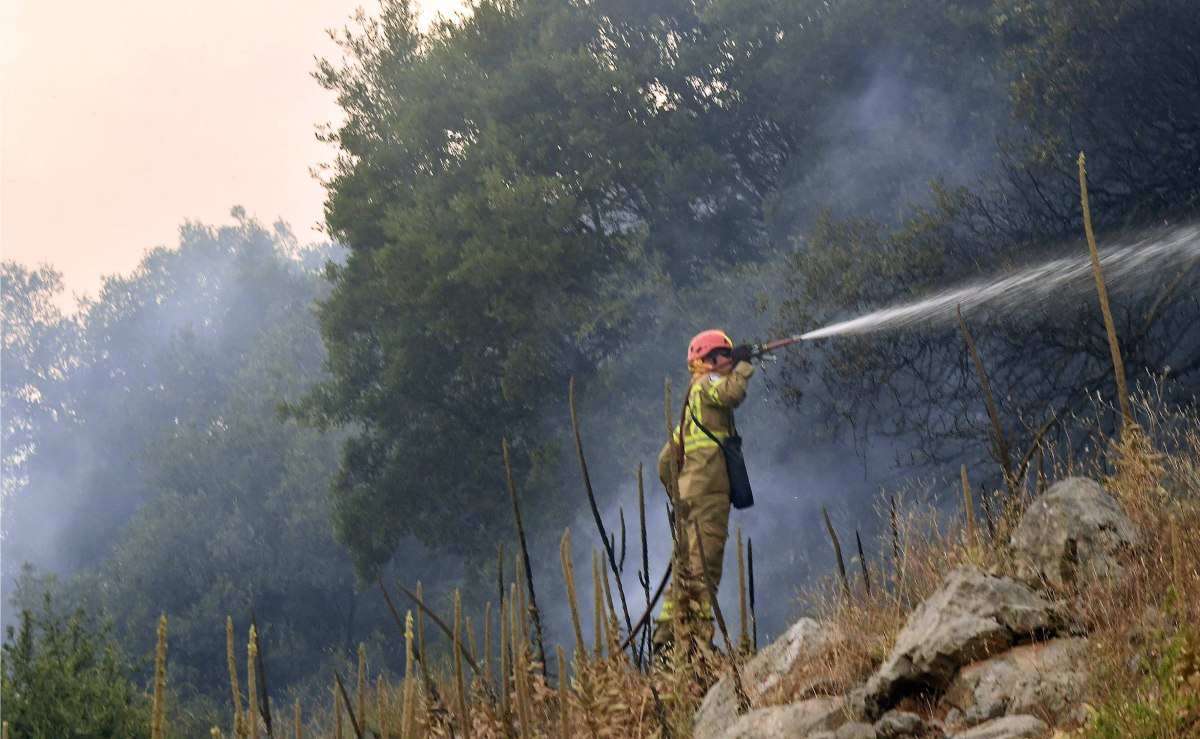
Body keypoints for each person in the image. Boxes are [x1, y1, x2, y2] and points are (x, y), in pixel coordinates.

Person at [653, 329, 754, 651]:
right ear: (709, 360)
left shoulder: (690, 407)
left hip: (690, 498)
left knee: (683, 572)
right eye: (725, 354)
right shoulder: (708, 384)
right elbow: (731, 393)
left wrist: (680, 496)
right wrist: (744, 365)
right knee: (704, 571)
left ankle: (666, 645)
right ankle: (696, 648)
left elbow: (665, 460)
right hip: (709, 496)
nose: (729, 359)